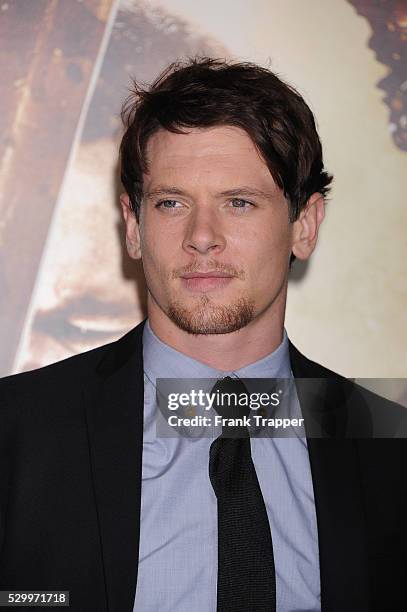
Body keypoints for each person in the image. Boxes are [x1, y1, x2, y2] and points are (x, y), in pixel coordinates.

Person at [0, 57, 406, 612]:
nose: (202, 237)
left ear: (304, 226)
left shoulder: (388, 445)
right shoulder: (16, 430)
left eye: (239, 202)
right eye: (172, 202)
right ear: (135, 226)